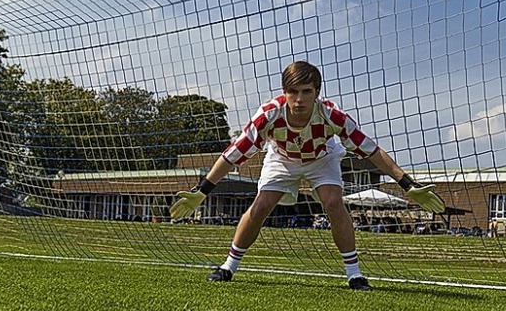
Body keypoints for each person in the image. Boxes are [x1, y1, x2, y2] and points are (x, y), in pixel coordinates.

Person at [170, 61, 445, 290]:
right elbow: (234, 153)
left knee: (333, 202)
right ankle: (228, 266)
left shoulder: (332, 116)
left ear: (317, 92)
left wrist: (407, 184)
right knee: (262, 205)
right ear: (283, 91)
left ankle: (354, 274)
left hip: (321, 158)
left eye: (306, 91)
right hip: (282, 158)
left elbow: (371, 150)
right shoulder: (268, 116)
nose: (299, 99)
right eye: (292, 92)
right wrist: (202, 191)